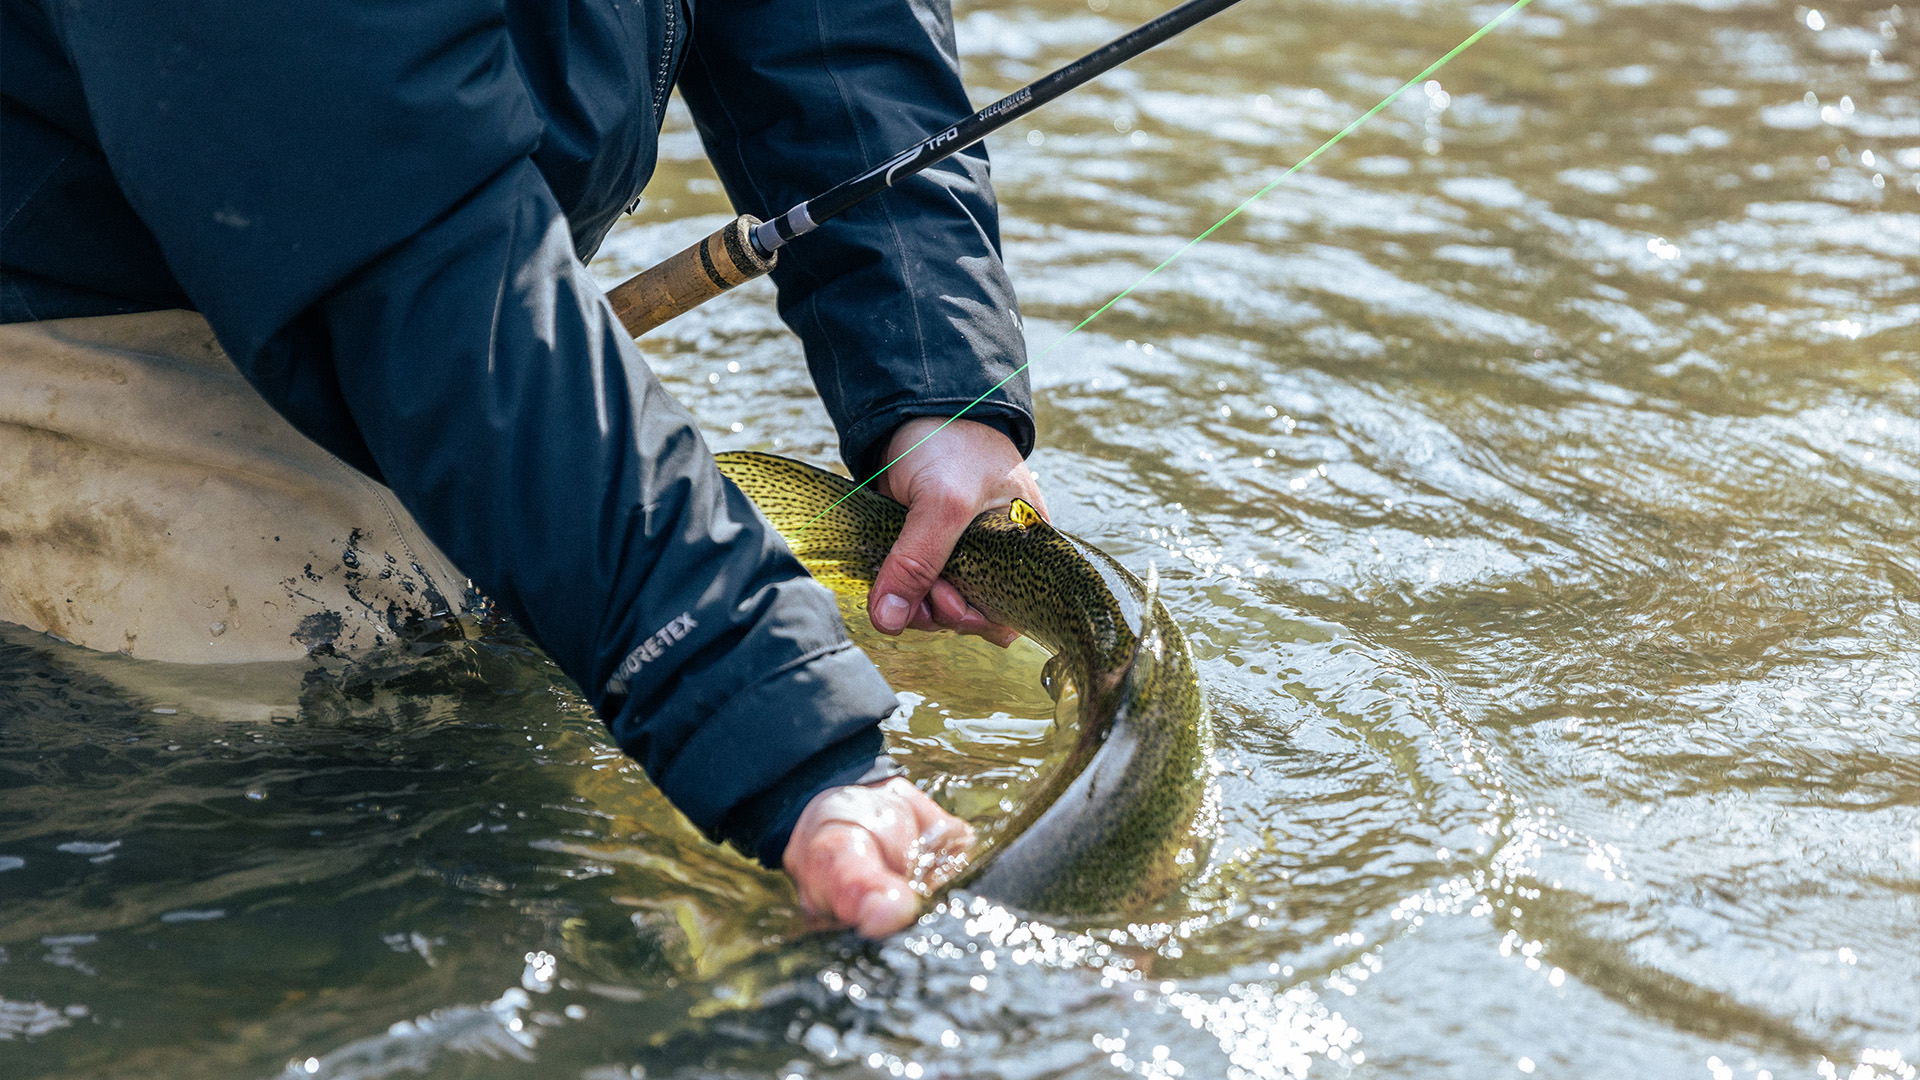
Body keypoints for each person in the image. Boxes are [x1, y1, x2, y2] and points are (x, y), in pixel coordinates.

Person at [0, 0, 1046, 937]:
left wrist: (935, 381)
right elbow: (404, 227)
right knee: (336, 838)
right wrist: (792, 744)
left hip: (450, 253)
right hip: (100, 311)